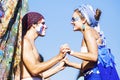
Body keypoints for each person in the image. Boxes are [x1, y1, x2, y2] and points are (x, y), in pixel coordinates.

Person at [63, 4, 120, 80]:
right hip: (92, 75)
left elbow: (94, 57)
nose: (71, 22)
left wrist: (71, 52)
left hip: (95, 76)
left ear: (84, 20)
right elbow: (87, 65)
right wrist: (69, 64)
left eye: (74, 19)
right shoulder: (88, 32)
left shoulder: (88, 32)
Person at [21, 12, 69, 80]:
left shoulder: (30, 43)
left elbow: (39, 75)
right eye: (43, 23)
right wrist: (58, 57)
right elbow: (34, 70)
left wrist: (59, 67)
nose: (46, 27)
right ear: (34, 24)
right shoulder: (25, 42)